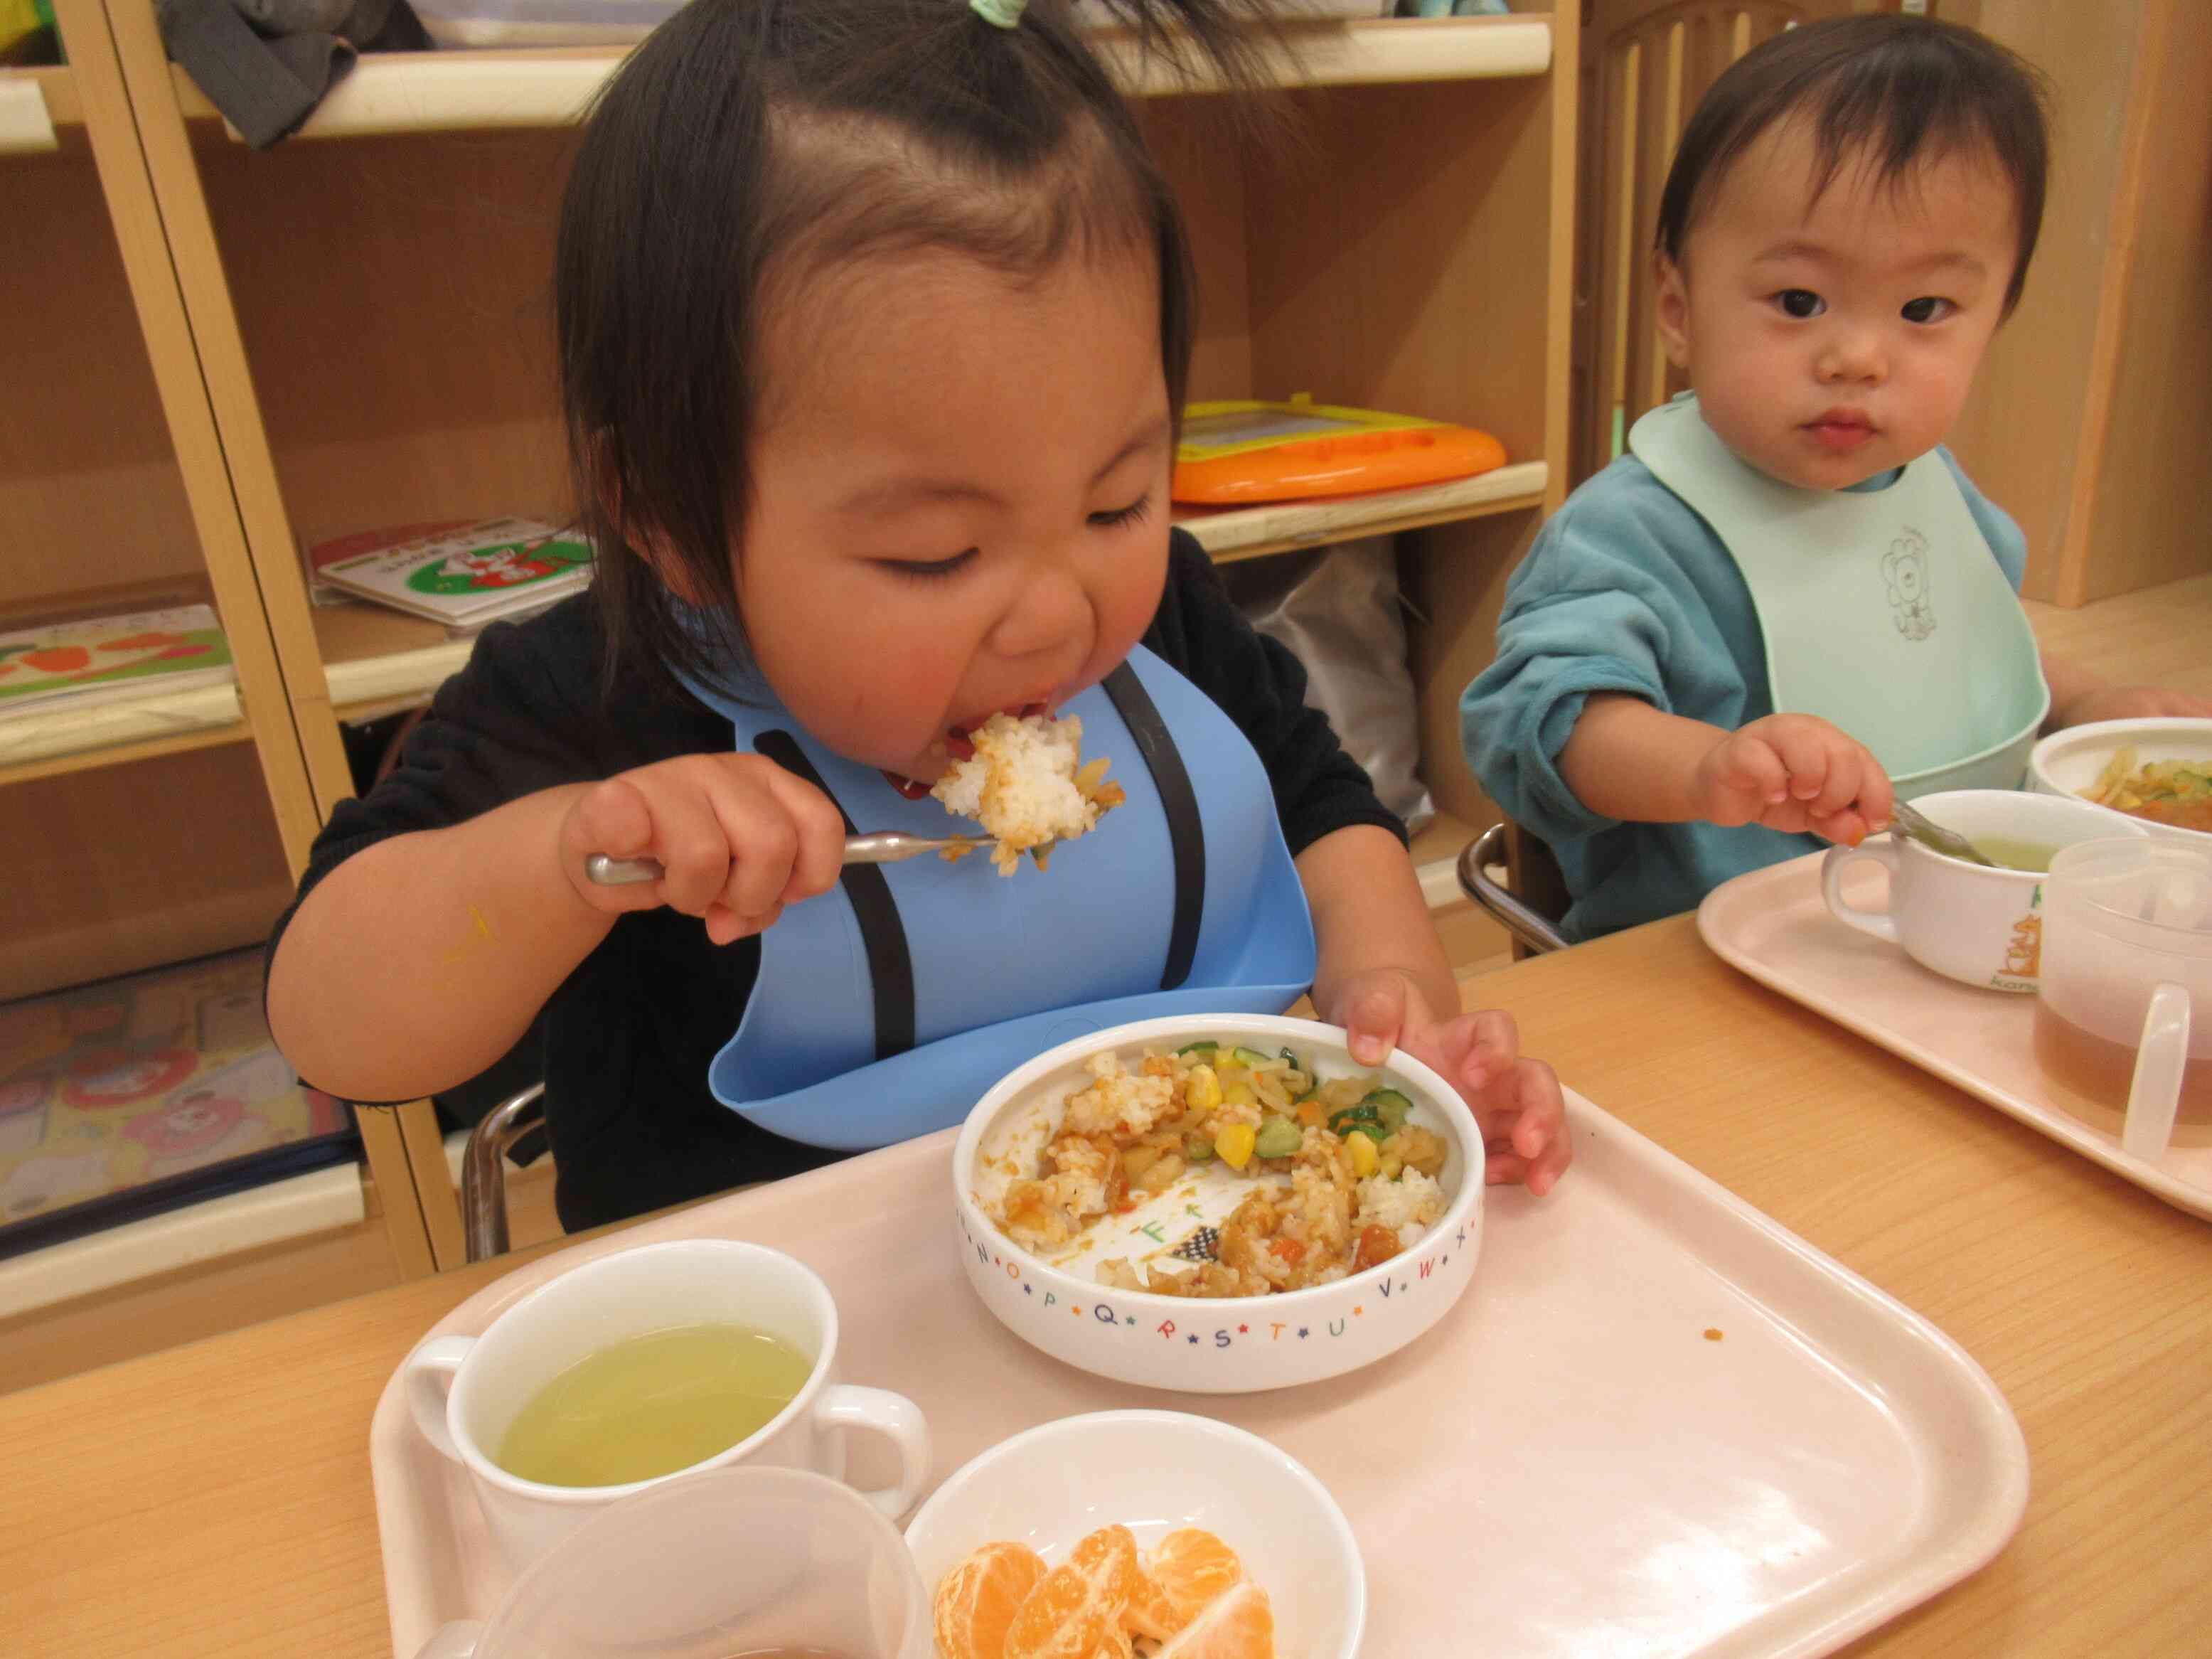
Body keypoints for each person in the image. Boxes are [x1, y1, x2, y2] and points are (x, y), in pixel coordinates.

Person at [265, 0, 1571, 1232]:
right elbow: (333, 1016)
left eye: (1116, 502)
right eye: (938, 554)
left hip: (1170, 1261)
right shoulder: (607, 687)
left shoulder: (1164, 615)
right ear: (669, 511)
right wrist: (567, 859)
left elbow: (1329, 815)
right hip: (781, 1344)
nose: (1057, 615)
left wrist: (1390, 1009)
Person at [1461, 16, 2212, 943]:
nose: (1857, 355)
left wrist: (2085, 700)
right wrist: (1709, 766)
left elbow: (1949, 639)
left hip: (1955, 921)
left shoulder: (1930, 485)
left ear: (1996, 319)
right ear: (1678, 308)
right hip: (1720, 951)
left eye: (1924, 309)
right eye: (1799, 302)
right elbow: (1538, 723)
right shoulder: (1633, 531)